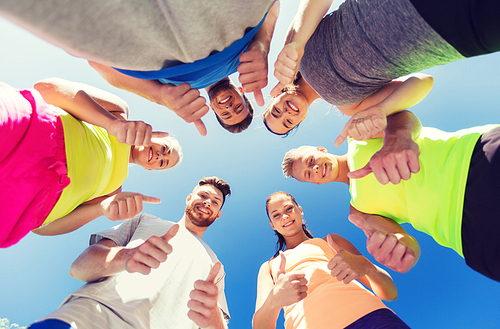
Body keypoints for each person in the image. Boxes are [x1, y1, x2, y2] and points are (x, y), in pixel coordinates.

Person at [0, 0, 280, 135]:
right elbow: (274, 4)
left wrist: (159, 96)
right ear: (243, 95)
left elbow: (99, 64)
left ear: (214, 110)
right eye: (238, 108)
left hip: (136, 44)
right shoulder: (250, 61)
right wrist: (263, 45)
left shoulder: (175, 93)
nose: (229, 107)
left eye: (225, 114)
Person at [281, 110, 500, 282]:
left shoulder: (357, 138)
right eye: (310, 175)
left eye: (311, 161)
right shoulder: (358, 210)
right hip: (468, 233)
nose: (316, 170)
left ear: (320, 150)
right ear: (316, 183)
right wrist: (402, 250)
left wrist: (399, 136)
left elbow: (405, 117)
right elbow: (404, 240)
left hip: (475, 159)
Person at [266, 0, 499, 137]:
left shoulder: (294, 50)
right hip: (448, 38)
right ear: (301, 120)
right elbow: (423, 81)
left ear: (275, 98)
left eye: (276, 111)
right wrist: (384, 110)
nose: (286, 113)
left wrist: (296, 43)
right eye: (288, 122)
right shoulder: (349, 108)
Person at [0, 78, 182, 248]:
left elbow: (43, 227)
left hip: (22, 200)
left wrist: (101, 209)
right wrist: (112, 124)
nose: (159, 156)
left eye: (162, 163)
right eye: (165, 149)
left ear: (150, 168)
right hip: (29, 132)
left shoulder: (113, 194)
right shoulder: (119, 112)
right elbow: (47, 89)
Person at [29, 177, 232, 329]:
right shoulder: (145, 221)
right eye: (203, 195)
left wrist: (214, 318)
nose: (208, 202)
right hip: (91, 316)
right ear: (189, 198)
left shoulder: (216, 266)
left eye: (215, 202)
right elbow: (78, 268)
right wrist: (125, 257)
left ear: (219, 214)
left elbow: (219, 323)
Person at [253, 191, 410, 329]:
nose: (285, 216)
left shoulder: (332, 242)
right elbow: (260, 326)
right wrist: (274, 299)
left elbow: (390, 293)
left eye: (288, 209)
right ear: (272, 225)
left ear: (300, 211)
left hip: (371, 317)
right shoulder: (269, 267)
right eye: (276, 215)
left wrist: (366, 265)